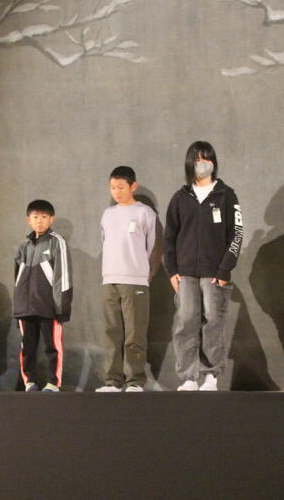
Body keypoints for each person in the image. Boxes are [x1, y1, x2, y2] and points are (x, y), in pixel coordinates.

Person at [164, 141, 243, 391]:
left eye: (207, 159)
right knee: (186, 321)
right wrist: (172, 271)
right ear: (190, 163)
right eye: (197, 159)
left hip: (214, 272)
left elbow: (236, 234)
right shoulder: (180, 198)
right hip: (185, 272)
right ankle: (189, 376)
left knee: (213, 321)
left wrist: (224, 270)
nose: (202, 164)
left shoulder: (226, 195)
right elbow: (169, 237)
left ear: (213, 162)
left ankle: (211, 375)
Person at [96, 166, 158, 392]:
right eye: (112, 187)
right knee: (111, 332)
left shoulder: (145, 213)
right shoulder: (108, 214)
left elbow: (152, 247)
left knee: (134, 333)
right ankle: (112, 381)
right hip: (109, 279)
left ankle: (134, 381)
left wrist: (140, 271)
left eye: (121, 187)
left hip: (135, 281)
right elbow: (105, 242)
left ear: (133, 186)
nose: (116, 192)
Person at [13, 199, 73, 392]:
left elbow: (63, 277)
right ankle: (29, 381)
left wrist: (61, 307)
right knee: (27, 347)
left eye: (44, 217)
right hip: (25, 307)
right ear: (28, 220)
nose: (39, 221)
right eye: (35, 217)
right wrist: (18, 307)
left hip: (49, 306)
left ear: (51, 219)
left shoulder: (57, 242)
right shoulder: (23, 246)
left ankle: (53, 382)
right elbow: (17, 278)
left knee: (52, 347)